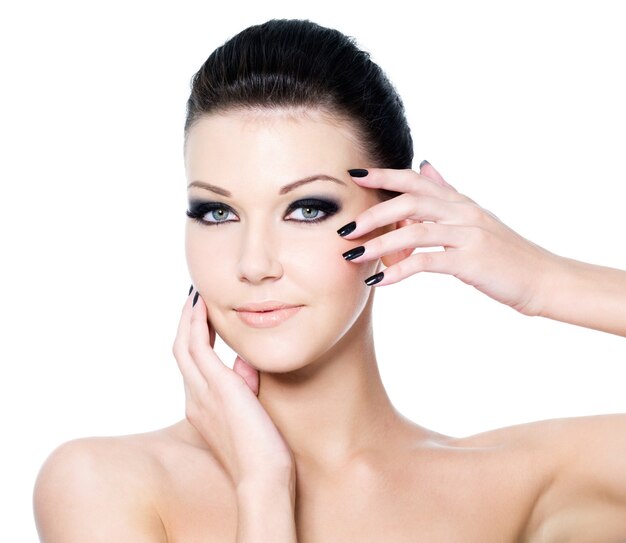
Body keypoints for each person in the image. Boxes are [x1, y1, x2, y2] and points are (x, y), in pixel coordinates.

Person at [33, 18, 626, 542]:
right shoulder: (103, 484)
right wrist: (262, 486)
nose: (254, 262)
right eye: (217, 211)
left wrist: (546, 282)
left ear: (395, 220)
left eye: (307, 208)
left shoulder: (523, 484)